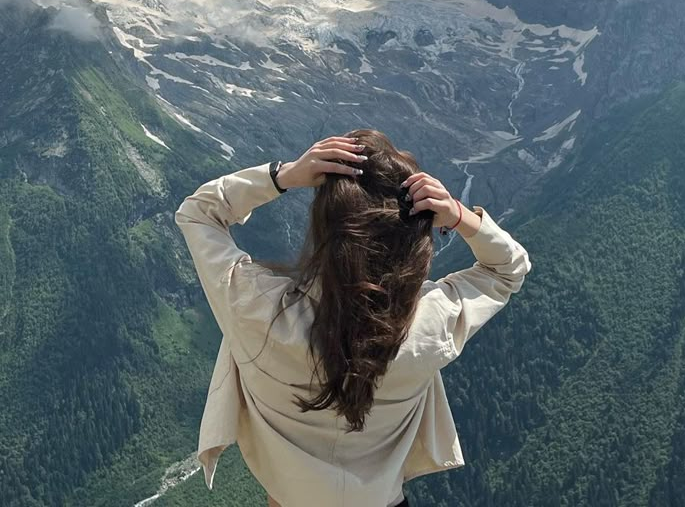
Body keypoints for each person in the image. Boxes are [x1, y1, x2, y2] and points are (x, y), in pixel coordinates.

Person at [175, 129, 531, 507]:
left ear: (324, 229)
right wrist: (459, 215)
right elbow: (508, 269)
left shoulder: (256, 306)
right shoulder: (428, 324)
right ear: (411, 237)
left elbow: (198, 214)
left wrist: (283, 175)